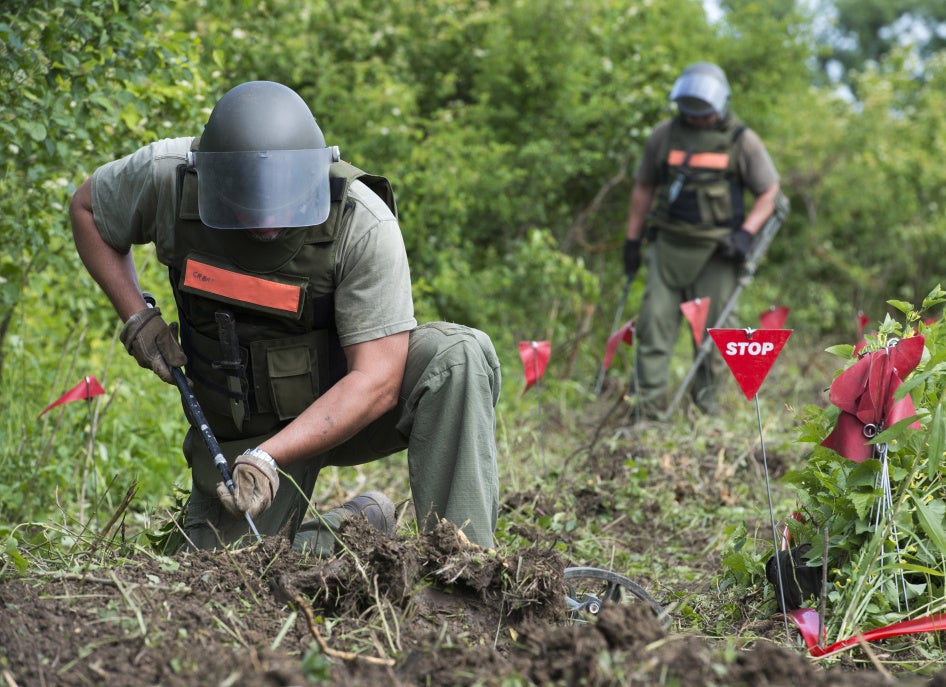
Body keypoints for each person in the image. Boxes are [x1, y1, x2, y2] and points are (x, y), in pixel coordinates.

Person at [70, 80, 501, 553]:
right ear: (212, 178)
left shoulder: (361, 220)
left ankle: (464, 571)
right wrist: (138, 319)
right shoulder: (171, 179)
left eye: (283, 197)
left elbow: (378, 380)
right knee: (221, 579)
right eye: (248, 200)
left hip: (345, 408)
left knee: (457, 356)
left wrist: (269, 457)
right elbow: (89, 208)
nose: (266, 222)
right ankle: (352, 529)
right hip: (245, 426)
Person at [623, 62, 781, 416]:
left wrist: (745, 234)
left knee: (716, 337)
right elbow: (643, 188)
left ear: (720, 105)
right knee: (653, 328)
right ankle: (647, 414)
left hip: (717, 254)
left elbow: (769, 192)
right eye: (690, 112)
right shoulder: (663, 135)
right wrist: (632, 242)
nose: (697, 120)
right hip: (667, 250)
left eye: (704, 114)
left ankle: (707, 412)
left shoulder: (743, 141)